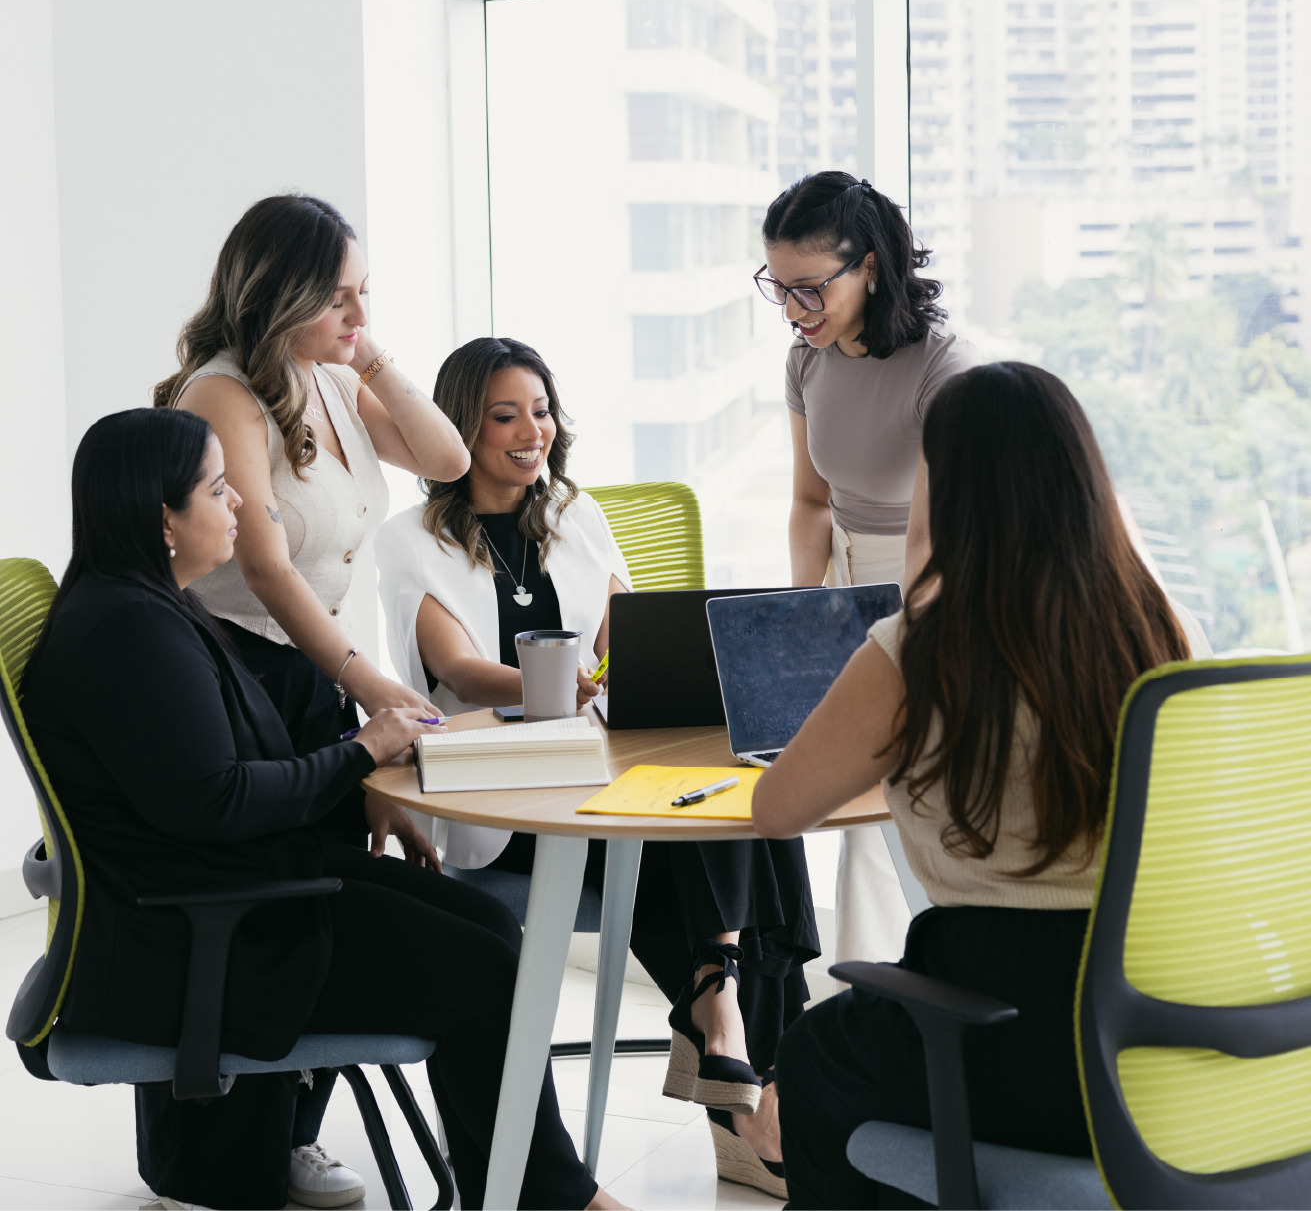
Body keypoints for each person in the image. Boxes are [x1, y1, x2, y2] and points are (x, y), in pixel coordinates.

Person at [21, 408, 624, 1211]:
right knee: (484, 969)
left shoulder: (148, 604)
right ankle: (551, 1198)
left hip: (242, 887)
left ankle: (515, 1185)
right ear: (162, 516)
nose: (240, 501)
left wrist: (358, 785)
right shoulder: (130, 631)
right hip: (218, 933)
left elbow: (228, 774)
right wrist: (362, 752)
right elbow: (220, 800)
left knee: (487, 925)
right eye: (216, 488)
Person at [752, 362, 1213, 1209]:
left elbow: (776, 806)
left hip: (1005, 1034)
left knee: (814, 1059)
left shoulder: (921, 643)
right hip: (1166, 1046)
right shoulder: (1160, 624)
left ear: (946, 481)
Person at [375, 336, 818, 1198]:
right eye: (504, 414)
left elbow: (626, 633)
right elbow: (458, 667)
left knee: (750, 795)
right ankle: (742, 1080)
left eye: (541, 411)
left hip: (598, 772)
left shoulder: (574, 511)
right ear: (461, 425)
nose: (530, 430)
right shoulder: (411, 537)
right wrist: (560, 686)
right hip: (504, 799)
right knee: (726, 830)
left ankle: (716, 1001)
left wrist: (641, 673)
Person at [153, 193, 470, 1203]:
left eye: (363, 293)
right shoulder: (223, 394)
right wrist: (365, 679)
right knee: (289, 911)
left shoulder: (330, 376)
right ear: (279, 291)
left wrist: (369, 358)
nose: (356, 314)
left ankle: (293, 1130)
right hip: (246, 664)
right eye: (339, 297)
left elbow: (447, 460)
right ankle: (254, 1141)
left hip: (314, 666)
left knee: (334, 892)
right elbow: (269, 565)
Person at [757, 170, 981, 968]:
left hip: (933, 587)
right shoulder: (804, 362)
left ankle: (902, 997)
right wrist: (797, 614)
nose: (792, 310)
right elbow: (811, 501)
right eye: (777, 288)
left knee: (895, 803)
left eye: (809, 288)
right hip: (846, 583)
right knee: (852, 799)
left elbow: (938, 536)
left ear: (871, 267)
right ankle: (868, 999)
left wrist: (897, 636)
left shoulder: (942, 365)